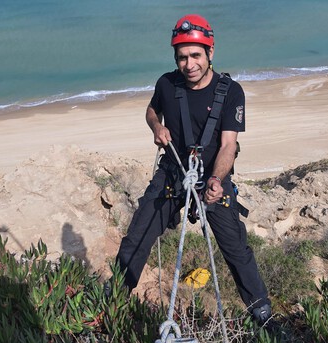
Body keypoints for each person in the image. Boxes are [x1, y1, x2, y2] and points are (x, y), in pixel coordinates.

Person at [116, 14, 271, 324]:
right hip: (172, 175)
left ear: (210, 53)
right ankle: (113, 301)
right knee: (137, 237)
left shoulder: (231, 92)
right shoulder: (166, 83)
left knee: (237, 250)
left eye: (196, 55)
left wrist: (216, 179)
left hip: (213, 177)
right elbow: (151, 109)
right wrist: (156, 126)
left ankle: (263, 314)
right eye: (182, 57)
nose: (189, 64)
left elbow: (228, 144)